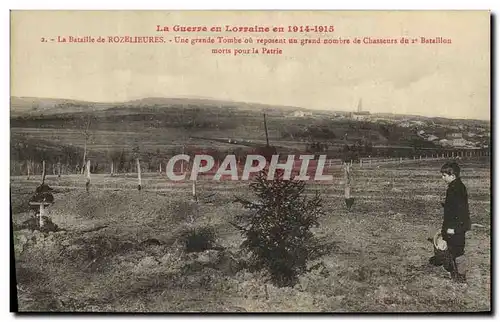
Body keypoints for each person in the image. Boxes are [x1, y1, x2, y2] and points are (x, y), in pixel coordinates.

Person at [434, 161, 471, 283]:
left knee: (458, 251)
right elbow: (456, 207)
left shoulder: (455, 189)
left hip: (456, 227)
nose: (442, 178)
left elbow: (459, 211)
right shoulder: (457, 186)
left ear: (453, 176)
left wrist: (453, 228)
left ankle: (461, 277)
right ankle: (457, 274)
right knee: (454, 249)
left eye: (445, 175)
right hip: (457, 226)